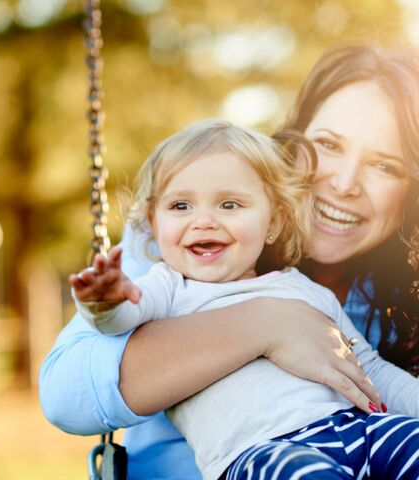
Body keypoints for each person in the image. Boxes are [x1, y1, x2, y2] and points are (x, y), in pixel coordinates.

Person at [39, 44, 419, 479]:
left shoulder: (393, 286)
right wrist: (267, 324)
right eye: (328, 145)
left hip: (356, 439)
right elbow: (66, 395)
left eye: (385, 167)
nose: (345, 183)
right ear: (293, 145)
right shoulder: (179, 245)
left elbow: (376, 375)